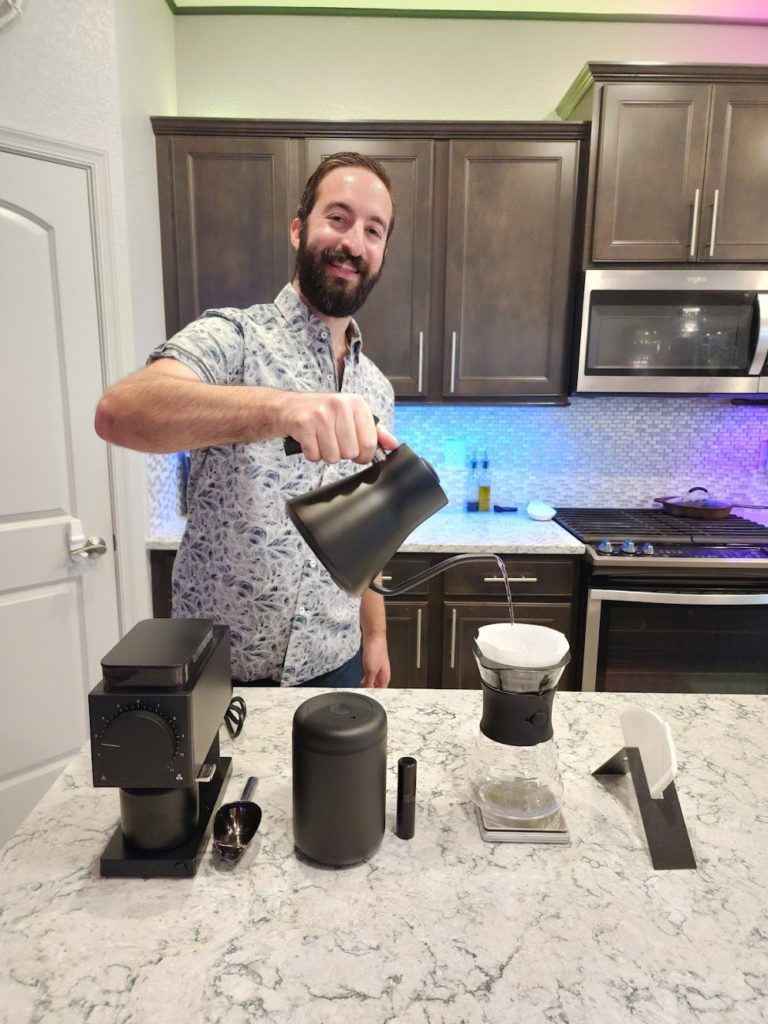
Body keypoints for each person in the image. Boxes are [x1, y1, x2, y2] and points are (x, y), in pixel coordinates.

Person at [95, 152, 399, 689]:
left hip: (336, 659)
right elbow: (121, 412)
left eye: (373, 230)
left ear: (381, 254)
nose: (354, 242)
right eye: (339, 218)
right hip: (219, 670)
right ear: (299, 230)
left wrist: (374, 636)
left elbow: (368, 534)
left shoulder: (376, 388)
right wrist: (282, 407)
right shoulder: (234, 338)